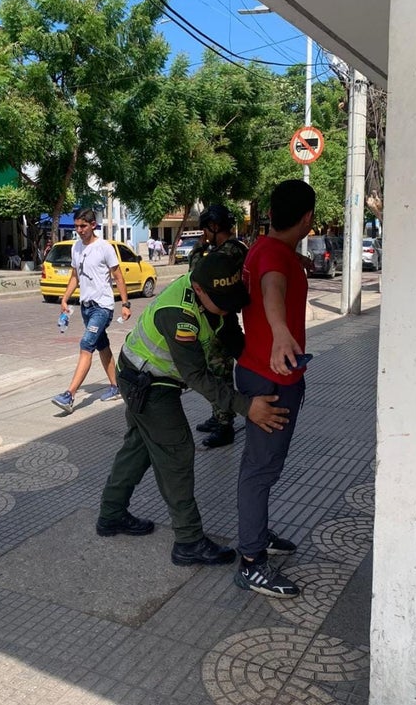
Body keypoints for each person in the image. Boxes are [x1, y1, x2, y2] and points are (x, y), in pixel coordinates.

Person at [96, 251, 289, 567]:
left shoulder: (214, 291)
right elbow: (197, 376)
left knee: (139, 447)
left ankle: (111, 514)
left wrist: (264, 365)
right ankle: (188, 542)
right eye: (222, 302)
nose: (228, 308)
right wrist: (246, 407)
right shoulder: (179, 315)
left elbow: (230, 334)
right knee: (177, 452)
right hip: (147, 383)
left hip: (145, 374)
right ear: (199, 290)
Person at [233, 179, 316, 599]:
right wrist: (281, 331)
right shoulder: (273, 258)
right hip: (272, 381)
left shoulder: (266, 248)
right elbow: (272, 289)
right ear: (307, 218)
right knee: (260, 470)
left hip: (261, 372)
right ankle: (251, 562)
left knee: (261, 466)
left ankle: (257, 534)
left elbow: (273, 275)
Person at [51, 208, 132, 413]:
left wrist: (125, 304)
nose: (79, 230)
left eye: (83, 226)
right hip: (85, 307)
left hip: (102, 307)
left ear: (93, 225)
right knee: (102, 345)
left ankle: (69, 395)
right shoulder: (76, 247)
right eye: (77, 226)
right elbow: (75, 276)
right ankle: (116, 387)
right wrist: (65, 298)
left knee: (86, 344)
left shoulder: (105, 247)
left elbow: (118, 276)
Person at [189, 205, 249, 449]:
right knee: (217, 372)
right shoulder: (234, 249)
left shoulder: (225, 253)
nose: (203, 234)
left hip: (221, 323)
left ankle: (225, 426)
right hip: (220, 321)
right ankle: (218, 416)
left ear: (214, 227)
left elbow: (195, 273)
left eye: (205, 229)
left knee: (220, 375)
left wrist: (198, 247)